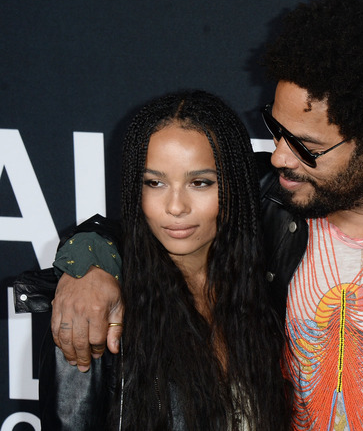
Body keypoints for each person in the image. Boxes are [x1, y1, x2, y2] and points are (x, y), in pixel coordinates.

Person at [32, 0, 363, 430]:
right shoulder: (268, 195)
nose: (279, 157)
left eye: (306, 146)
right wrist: (89, 261)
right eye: (275, 129)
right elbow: (159, 224)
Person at [25, 90, 289, 430]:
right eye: (155, 182)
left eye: (199, 182)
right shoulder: (94, 313)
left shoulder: (266, 294)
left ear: (234, 187)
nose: (175, 207)